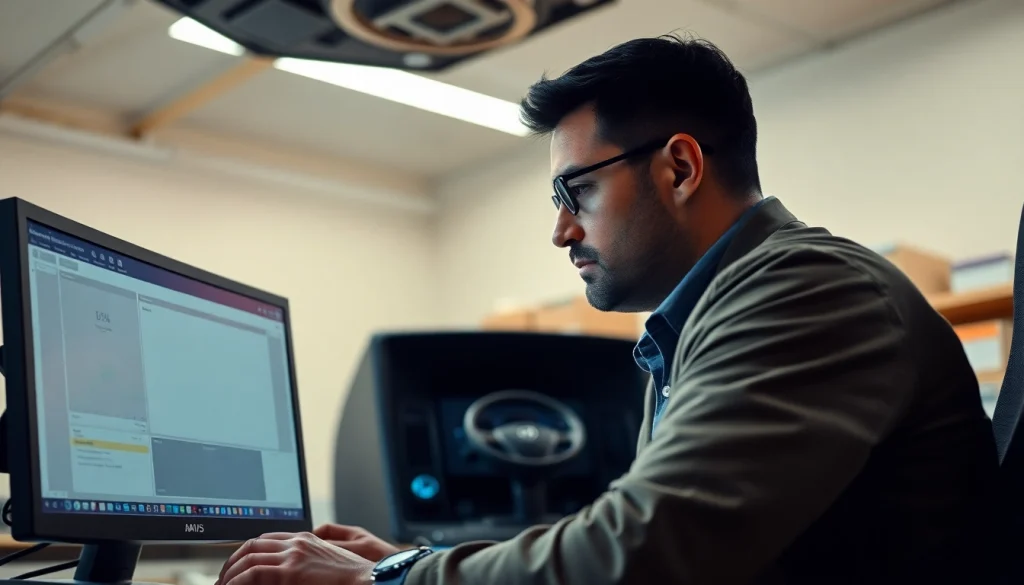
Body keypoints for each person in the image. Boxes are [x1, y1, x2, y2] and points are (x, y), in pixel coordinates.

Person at [216, 34, 1000, 585]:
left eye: (575, 191)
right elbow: (635, 527)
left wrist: (386, 580)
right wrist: (412, 560)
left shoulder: (805, 289)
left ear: (681, 167)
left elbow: (642, 554)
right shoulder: (715, 314)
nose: (560, 229)